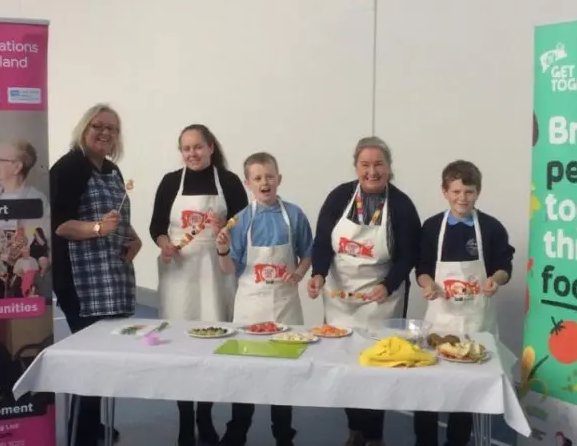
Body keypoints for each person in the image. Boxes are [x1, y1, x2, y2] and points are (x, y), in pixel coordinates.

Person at [306, 136, 421, 446]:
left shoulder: (401, 205)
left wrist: (388, 285)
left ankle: (374, 435)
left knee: (376, 368)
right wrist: (318, 274)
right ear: (356, 167)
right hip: (341, 296)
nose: (372, 172)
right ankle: (355, 428)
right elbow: (322, 242)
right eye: (365, 165)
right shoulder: (339, 197)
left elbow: (409, 254)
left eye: (379, 164)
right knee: (345, 365)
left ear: (389, 167)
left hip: (381, 298)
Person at [149, 124, 248, 446]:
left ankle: (204, 415)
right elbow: (156, 226)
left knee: (211, 343)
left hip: (215, 272)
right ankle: (184, 418)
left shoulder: (228, 181)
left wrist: (227, 228)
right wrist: (165, 244)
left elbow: (245, 223)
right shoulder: (170, 182)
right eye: (186, 148)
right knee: (180, 343)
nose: (192, 153)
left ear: (210, 148)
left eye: (198, 147)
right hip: (179, 272)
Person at [51, 104, 142, 444]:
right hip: (80, 281)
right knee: (89, 360)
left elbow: (117, 218)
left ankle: (90, 425)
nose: (104, 133)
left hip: (110, 277)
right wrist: (97, 228)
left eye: (111, 128)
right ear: (84, 129)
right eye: (97, 126)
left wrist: (133, 239)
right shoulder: (69, 167)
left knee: (102, 358)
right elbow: (59, 224)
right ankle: (81, 433)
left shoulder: (112, 170)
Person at [413, 160, 514, 446]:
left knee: (467, 390)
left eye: (469, 192)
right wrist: (428, 285)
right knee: (427, 386)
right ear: (445, 192)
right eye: (456, 191)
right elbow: (422, 268)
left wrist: (496, 279)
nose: (462, 198)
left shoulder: (491, 228)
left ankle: (456, 441)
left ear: (478, 192)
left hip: (476, 320)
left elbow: (504, 266)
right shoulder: (433, 227)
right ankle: (425, 442)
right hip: (440, 321)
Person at [215, 152, 312, 446]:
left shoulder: (294, 215)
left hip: (285, 304)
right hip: (251, 305)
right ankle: (238, 430)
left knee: (285, 371)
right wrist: (222, 250)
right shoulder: (241, 221)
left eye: (269, 176)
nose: (264, 182)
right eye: (257, 178)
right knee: (245, 369)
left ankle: (283, 433)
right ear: (248, 183)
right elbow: (229, 269)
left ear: (279, 179)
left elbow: (308, 253)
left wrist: (299, 273)